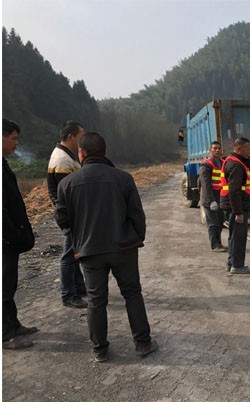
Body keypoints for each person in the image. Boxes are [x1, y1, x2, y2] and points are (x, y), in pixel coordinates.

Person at [55, 132, 158, 362]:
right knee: (132, 294)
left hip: (90, 251)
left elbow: (62, 220)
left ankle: (99, 349)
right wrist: (136, 238)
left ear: (81, 153)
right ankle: (143, 343)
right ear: (105, 152)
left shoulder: (67, 184)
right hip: (124, 248)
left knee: (96, 300)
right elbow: (137, 215)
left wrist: (78, 240)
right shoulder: (123, 178)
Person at [3, 119, 38, 350]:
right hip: (4, 239)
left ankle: (13, 324)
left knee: (9, 283)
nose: (16, 143)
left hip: (9, 239)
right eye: (13, 138)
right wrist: (11, 234)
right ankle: (5, 335)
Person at [47, 121, 87, 308]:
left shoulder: (66, 156)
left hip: (72, 212)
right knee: (69, 255)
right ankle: (68, 294)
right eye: (80, 136)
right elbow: (65, 193)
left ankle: (79, 288)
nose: (82, 140)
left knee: (75, 253)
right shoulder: (62, 160)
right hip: (70, 214)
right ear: (71, 136)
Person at [220, 137, 250, 274]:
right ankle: (237, 265)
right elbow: (234, 191)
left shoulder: (231, 161)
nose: (249, 152)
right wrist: (238, 212)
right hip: (236, 207)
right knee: (238, 237)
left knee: (233, 236)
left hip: (232, 206)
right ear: (239, 149)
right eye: (247, 149)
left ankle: (231, 263)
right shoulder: (236, 165)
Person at [199, 141, 227, 252]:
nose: (217, 150)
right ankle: (214, 245)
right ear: (210, 150)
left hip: (220, 196)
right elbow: (206, 184)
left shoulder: (223, 163)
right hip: (211, 197)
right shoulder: (206, 164)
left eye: (219, 148)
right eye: (214, 148)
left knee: (220, 222)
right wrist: (211, 201)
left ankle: (219, 243)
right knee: (213, 223)